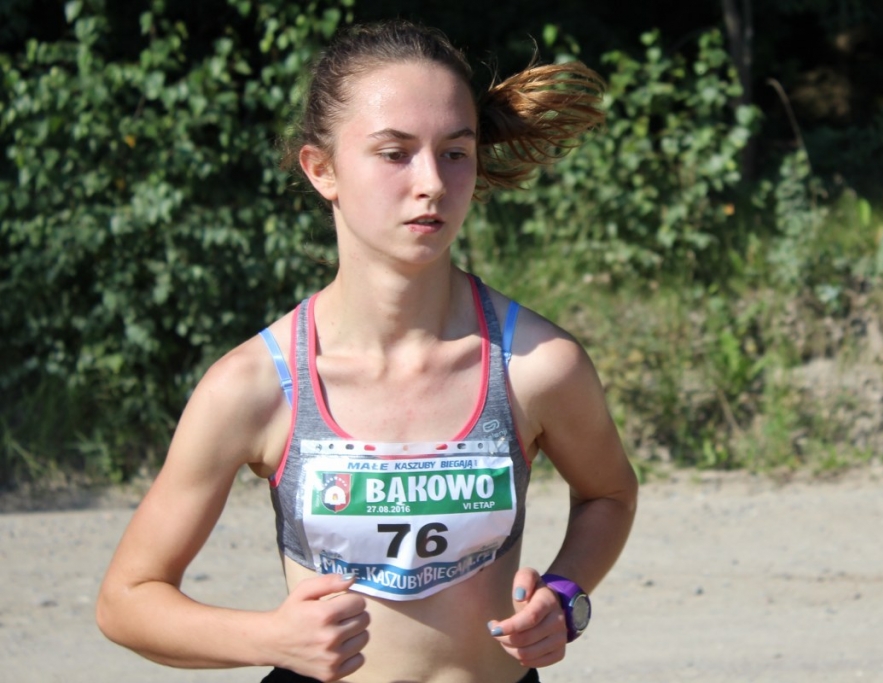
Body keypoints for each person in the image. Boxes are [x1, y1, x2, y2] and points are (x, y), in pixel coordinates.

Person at [96, 18, 637, 683]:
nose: (431, 182)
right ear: (321, 169)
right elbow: (127, 600)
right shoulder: (257, 384)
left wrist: (564, 592)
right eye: (394, 153)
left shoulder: (537, 365)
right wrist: (270, 638)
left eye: (455, 152)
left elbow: (609, 493)